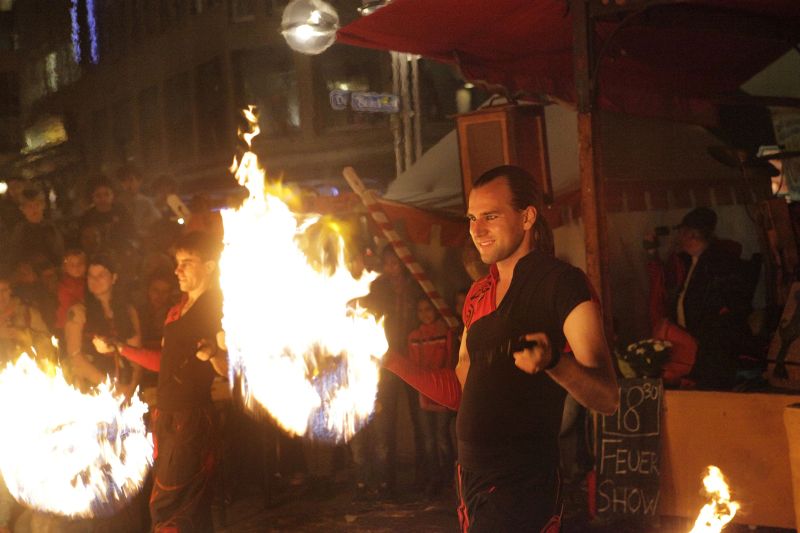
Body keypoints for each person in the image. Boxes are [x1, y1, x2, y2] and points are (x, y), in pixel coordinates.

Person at [384, 165, 618, 532]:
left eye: (490, 216)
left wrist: (554, 363)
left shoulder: (562, 284)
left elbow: (607, 397)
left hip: (523, 484)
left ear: (527, 217)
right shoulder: (478, 293)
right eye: (472, 218)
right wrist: (389, 360)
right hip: (471, 479)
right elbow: (461, 390)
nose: (476, 230)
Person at [93, 231, 227, 533]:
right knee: (186, 507)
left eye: (187, 262)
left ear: (209, 266)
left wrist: (213, 353)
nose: (177, 270)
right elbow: (162, 362)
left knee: (169, 504)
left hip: (192, 417)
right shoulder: (177, 309)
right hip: (167, 414)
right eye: (177, 262)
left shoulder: (219, 309)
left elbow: (229, 367)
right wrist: (119, 347)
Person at [645, 207, 752, 389]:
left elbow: (725, 310)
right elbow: (665, 279)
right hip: (693, 346)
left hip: (709, 350)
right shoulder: (688, 261)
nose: (679, 238)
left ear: (692, 235)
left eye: (682, 233)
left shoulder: (719, 264)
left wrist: (698, 340)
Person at [355, 247, 425, 499]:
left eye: (395, 263)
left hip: (415, 356)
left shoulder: (417, 285)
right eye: (387, 263)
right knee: (387, 419)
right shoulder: (379, 288)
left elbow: (425, 312)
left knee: (421, 418)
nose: (391, 268)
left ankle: (424, 476)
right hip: (388, 360)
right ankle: (387, 481)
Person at [64, 254, 142, 399]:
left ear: (114, 278)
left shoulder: (128, 311)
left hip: (125, 387)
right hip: (93, 390)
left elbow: (137, 357)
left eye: (101, 275)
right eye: (91, 276)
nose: (95, 280)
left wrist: (130, 390)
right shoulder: (78, 312)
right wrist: (111, 388)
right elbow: (75, 357)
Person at [407, 297, 456, 498]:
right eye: (420, 311)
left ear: (435, 310)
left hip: (442, 389)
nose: (425, 314)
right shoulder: (414, 336)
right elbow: (414, 365)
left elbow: (450, 360)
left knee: (442, 436)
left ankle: (449, 479)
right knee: (428, 439)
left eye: (428, 309)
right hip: (424, 392)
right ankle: (435, 479)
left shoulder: (446, 333)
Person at [7, 187, 64, 268]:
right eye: (29, 206)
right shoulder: (19, 230)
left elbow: (60, 254)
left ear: (43, 205)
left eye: (37, 204)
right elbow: (14, 256)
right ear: (22, 209)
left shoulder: (52, 228)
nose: (34, 209)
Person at [117, 164, 162, 239]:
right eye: (124, 181)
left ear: (139, 181)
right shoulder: (118, 203)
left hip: (143, 239)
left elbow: (157, 220)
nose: (128, 184)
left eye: (131, 180)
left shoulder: (146, 202)